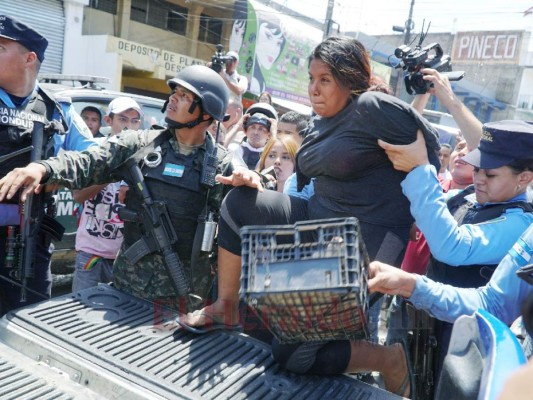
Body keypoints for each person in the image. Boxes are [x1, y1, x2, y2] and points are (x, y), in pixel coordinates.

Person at [179, 36, 443, 397]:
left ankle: (388, 359)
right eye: (311, 78)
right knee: (239, 202)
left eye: (325, 80)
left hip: (367, 240)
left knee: (292, 352)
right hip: (316, 218)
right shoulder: (321, 121)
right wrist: (259, 179)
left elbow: (427, 153)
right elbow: (303, 174)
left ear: (349, 80)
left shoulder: (374, 106)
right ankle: (227, 305)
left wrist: (416, 209)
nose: (314, 89)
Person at [0, 65, 244, 313]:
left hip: (183, 300)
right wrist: (42, 168)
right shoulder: (139, 144)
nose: (173, 99)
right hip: (127, 289)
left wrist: (252, 182)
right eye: (175, 93)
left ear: (207, 111)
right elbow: (89, 161)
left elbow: (240, 228)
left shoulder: (222, 166)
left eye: (184, 96)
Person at [378, 120, 533, 377]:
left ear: (525, 178)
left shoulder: (521, 223)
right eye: (478, 170)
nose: (480, 179)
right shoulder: (467, 197)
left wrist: (419, 169)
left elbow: (452, 246)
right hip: (422, 332)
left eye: (491, 174)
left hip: (463, 355)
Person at [0, 15, 96, 313]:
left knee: (29, 322)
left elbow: (95, 158)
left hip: (31, 240)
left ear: (29, 59)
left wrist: (58, 173)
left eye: (1, 48)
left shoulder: (58, 109)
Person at [71, 97, 143, 292]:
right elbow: (78, 196)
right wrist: (110, 173)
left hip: (127, 258)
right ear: (108, 120)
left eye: (134, 121)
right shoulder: (94, 150)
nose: (129, 126)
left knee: (117, 316)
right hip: (91, 254)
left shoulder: (145, 158)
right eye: (123, 119)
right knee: (81, 313)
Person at [250, 19, 286, 94]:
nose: (273, 50)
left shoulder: (257, 79)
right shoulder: (254, 81)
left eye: (279, 43)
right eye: (269, 37)